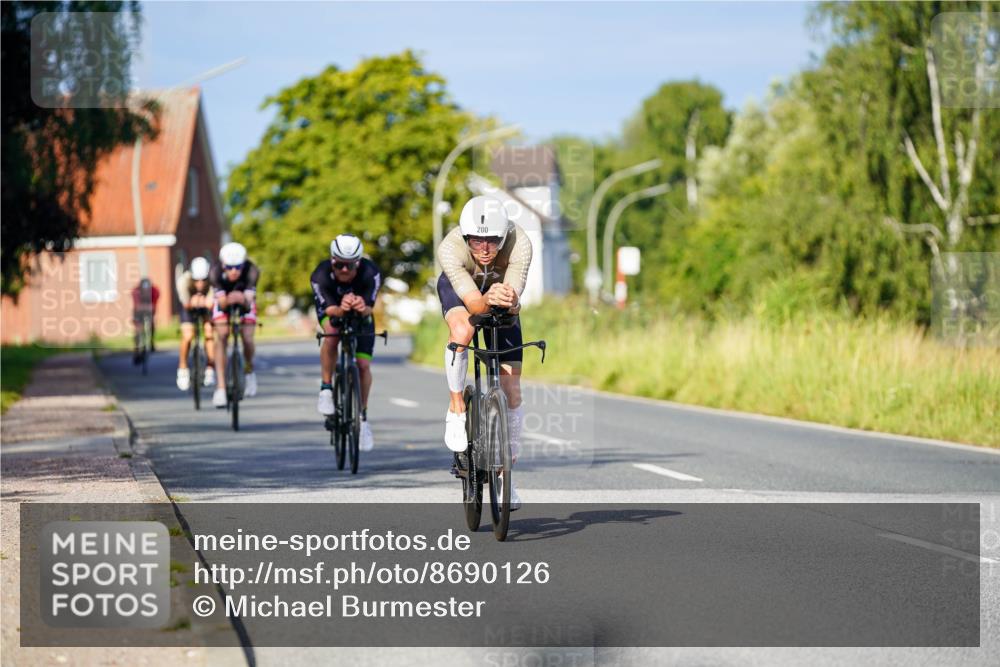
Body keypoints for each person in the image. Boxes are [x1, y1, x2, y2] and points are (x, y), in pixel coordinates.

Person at [436, 195, 532, 510]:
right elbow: (476, 307)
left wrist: (510, 300)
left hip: (501, 296)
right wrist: (486, 297)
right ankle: (456, 407)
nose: (485, 249)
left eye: (492, 241)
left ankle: (507, 478)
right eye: (477, 242)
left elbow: (515, 304)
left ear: (503, 236)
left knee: (512, 389)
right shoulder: (451, 248)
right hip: (462, 291)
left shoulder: (520, 243)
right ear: (466, 237)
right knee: (463, 331)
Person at [310, 234, 383, 452]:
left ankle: (363, 417)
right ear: (332, 260)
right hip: (333, 310)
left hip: (362, 318)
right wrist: (342, 308)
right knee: (331, 334)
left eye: (349, 265)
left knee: (362, 366)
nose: (344, 270)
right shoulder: (320, 275)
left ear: (358, 263)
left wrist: (362, 306)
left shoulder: (372, 272)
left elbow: (370, 306)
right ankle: (326, 388)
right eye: (339, 264)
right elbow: (329, 309)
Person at [209, 242, 260, 408]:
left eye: (238, 267)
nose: (233, 272)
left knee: (247, 337)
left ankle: (249, 370)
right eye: (229, 268)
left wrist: (243, 299)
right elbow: (222, 303)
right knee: (222, 334)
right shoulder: (215, 272)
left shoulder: (252, 271)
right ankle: (221, 388)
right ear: (223, 265)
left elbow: (248, 303)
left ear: (243, 265)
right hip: (224, 301)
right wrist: (228, 299)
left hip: (245, 300)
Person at [175, 257, 216, 390]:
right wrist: (195, 301)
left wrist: (204, 302)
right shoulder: (183, 281)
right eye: (196, 280)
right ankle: (182, 369)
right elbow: (187, 304)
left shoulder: (212, 280)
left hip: (205, 307)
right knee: (188, 335)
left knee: (209, 332)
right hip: (188, 307)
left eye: (203, 280)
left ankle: (210, 368)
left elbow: (210, 303)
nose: (199, 283)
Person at [131, 278, 160, 364]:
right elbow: (136, 306)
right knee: (138, 329)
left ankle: (151, 341)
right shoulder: (136, 292)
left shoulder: (155, 291)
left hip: (150, 309)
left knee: (152, 323)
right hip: (138, 310)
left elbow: (154, 305)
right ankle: (137, 350)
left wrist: (151, 310)